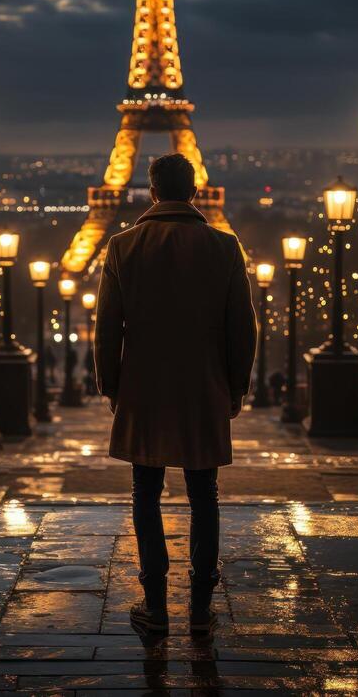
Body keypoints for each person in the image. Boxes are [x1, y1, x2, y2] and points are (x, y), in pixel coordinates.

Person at [95, 153, 257, 634]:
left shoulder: (123, 246)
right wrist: (237, 384)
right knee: (204, 496)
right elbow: (241, 328)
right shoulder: (224, 247)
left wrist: (111, 386)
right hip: (203, 385)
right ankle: (203, 606)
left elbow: (106, 330)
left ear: (151, 191)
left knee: (145, 494)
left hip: (144, 387)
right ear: (194, 191)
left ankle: (156, 602)